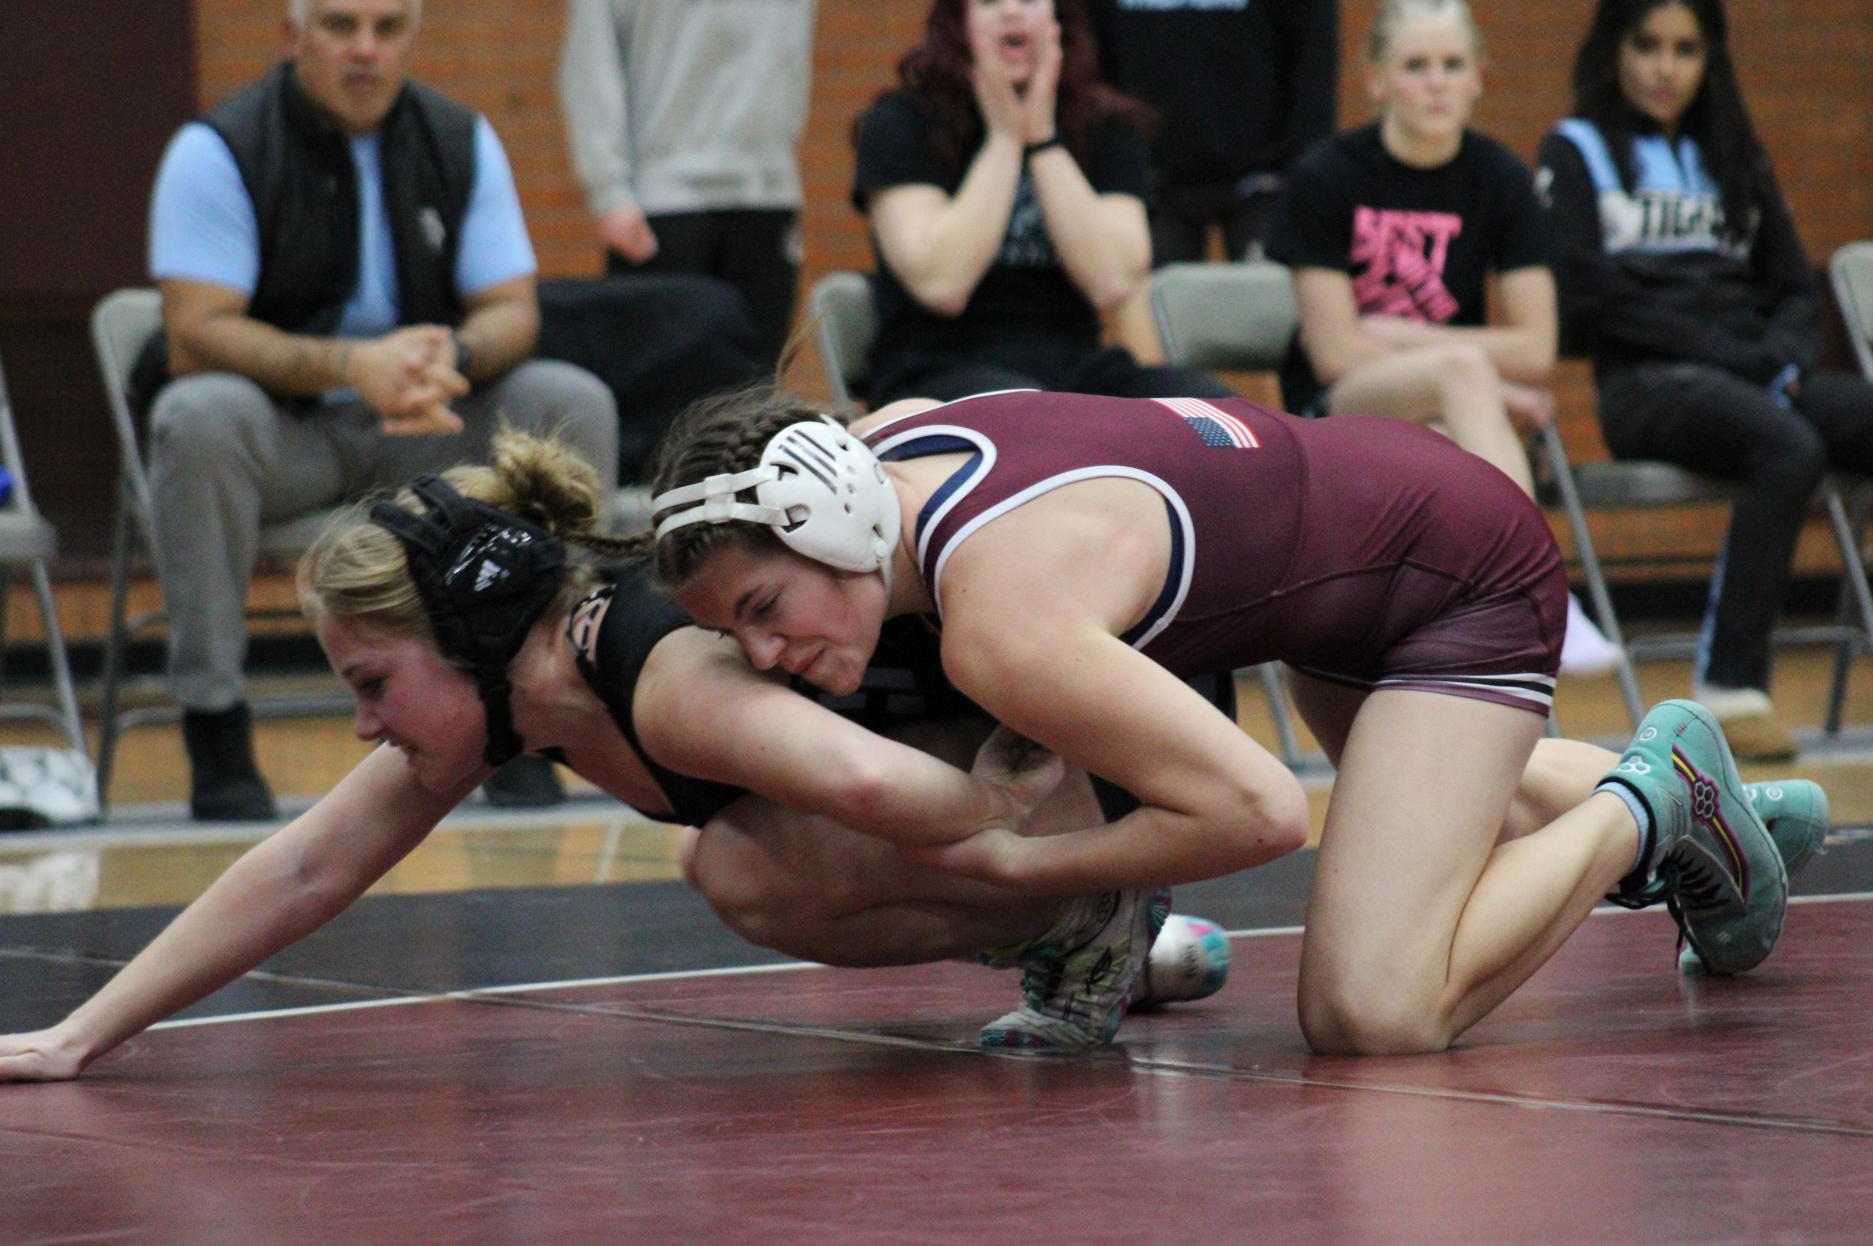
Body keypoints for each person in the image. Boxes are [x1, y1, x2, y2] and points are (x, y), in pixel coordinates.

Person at [0, 430, 1232, 1082]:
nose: (367, 724)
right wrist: (82, 1032)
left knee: (740, 865)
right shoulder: (530, 688)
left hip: (1115, 720)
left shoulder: (661, 675)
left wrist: (1029, 800)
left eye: (374, 684)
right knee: (756, 847)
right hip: (1041, 750)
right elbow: (306, 866)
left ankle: (1093, 922)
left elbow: (879, 786)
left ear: (474, 638)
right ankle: (1120, 929)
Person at [647, 384, 1825, 1055]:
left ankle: (1658, 791)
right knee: (1438, 823)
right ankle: (1731, 819)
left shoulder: (996, 617)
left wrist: (1027, 862)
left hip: (1453, 579)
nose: (767, 655)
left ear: (830, 516)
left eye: (764, 606)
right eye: (735, 636)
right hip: (1362, 537)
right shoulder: (896, 436)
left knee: (1374, 1009)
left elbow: (1259, 812)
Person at [144, 0, 618, 820]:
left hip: (429, 427)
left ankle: (550, 699)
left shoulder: (458, 138)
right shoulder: (219, 148)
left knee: (569, 399)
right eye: (341, 24)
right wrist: (350, 366)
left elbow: (513, 307)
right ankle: (213, 724)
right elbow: (192, 331)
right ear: (293, 35)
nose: (365, 47)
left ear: (410, 36)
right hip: (293, 434)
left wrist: (454, 360)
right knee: (195, 413)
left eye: (386, 26)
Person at [1536, 0, 1873, 759]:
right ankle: (1728, 687)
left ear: (1709, 55)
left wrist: (1784, 355)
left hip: (1759, 372)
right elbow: (1590, 297)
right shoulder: (1574, 150)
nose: (1664, 67)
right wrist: (1744, 361)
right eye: (1647, 45)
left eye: (1684, 49)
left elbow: (1790, 282)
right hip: (1650, 382)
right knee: (1787, 446)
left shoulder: (1735, 155)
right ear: (1613, 48)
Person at [1263, 0, 1620, 679]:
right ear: (1376, 81)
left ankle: (1465, 656)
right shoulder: (1326, 176)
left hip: (1447, 408)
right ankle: (1540, 591)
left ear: (1479, 78)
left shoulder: (1499, 179)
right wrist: (1469, 373)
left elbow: (1536, 347)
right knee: (1460, 375)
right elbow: (1333, 352)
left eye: (1453, 65)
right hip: (1335, 410)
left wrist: (1396, 334)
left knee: (1455, 441)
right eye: (1415, 65)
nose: (1436, 83)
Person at [849, 0, 1230, 407]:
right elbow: (943, 282)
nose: (1011, 9)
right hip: (935, 369)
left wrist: (1044, 138)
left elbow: (1113, 281)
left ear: (1056, 20)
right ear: (958, 23)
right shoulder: (901, 122)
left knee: (1212, 411)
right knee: (1031, 414)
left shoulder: (1106, 125)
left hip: (1075, 370)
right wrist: (1004, 140)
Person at [558, 0, 820, 366]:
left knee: (756, 402)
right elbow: (593, 34)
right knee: (665, 407)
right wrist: (609, 188)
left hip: (767, 188)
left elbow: (795, 29)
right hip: (662, 196)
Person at [1068, 0, 1337, 265]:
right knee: (1152, 313)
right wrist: (1104, 156)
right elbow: (1085, 36)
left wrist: (1306, 170)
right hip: (1147, 171)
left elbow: (1313, 40)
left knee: (1274, 311)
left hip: (1264, 174)